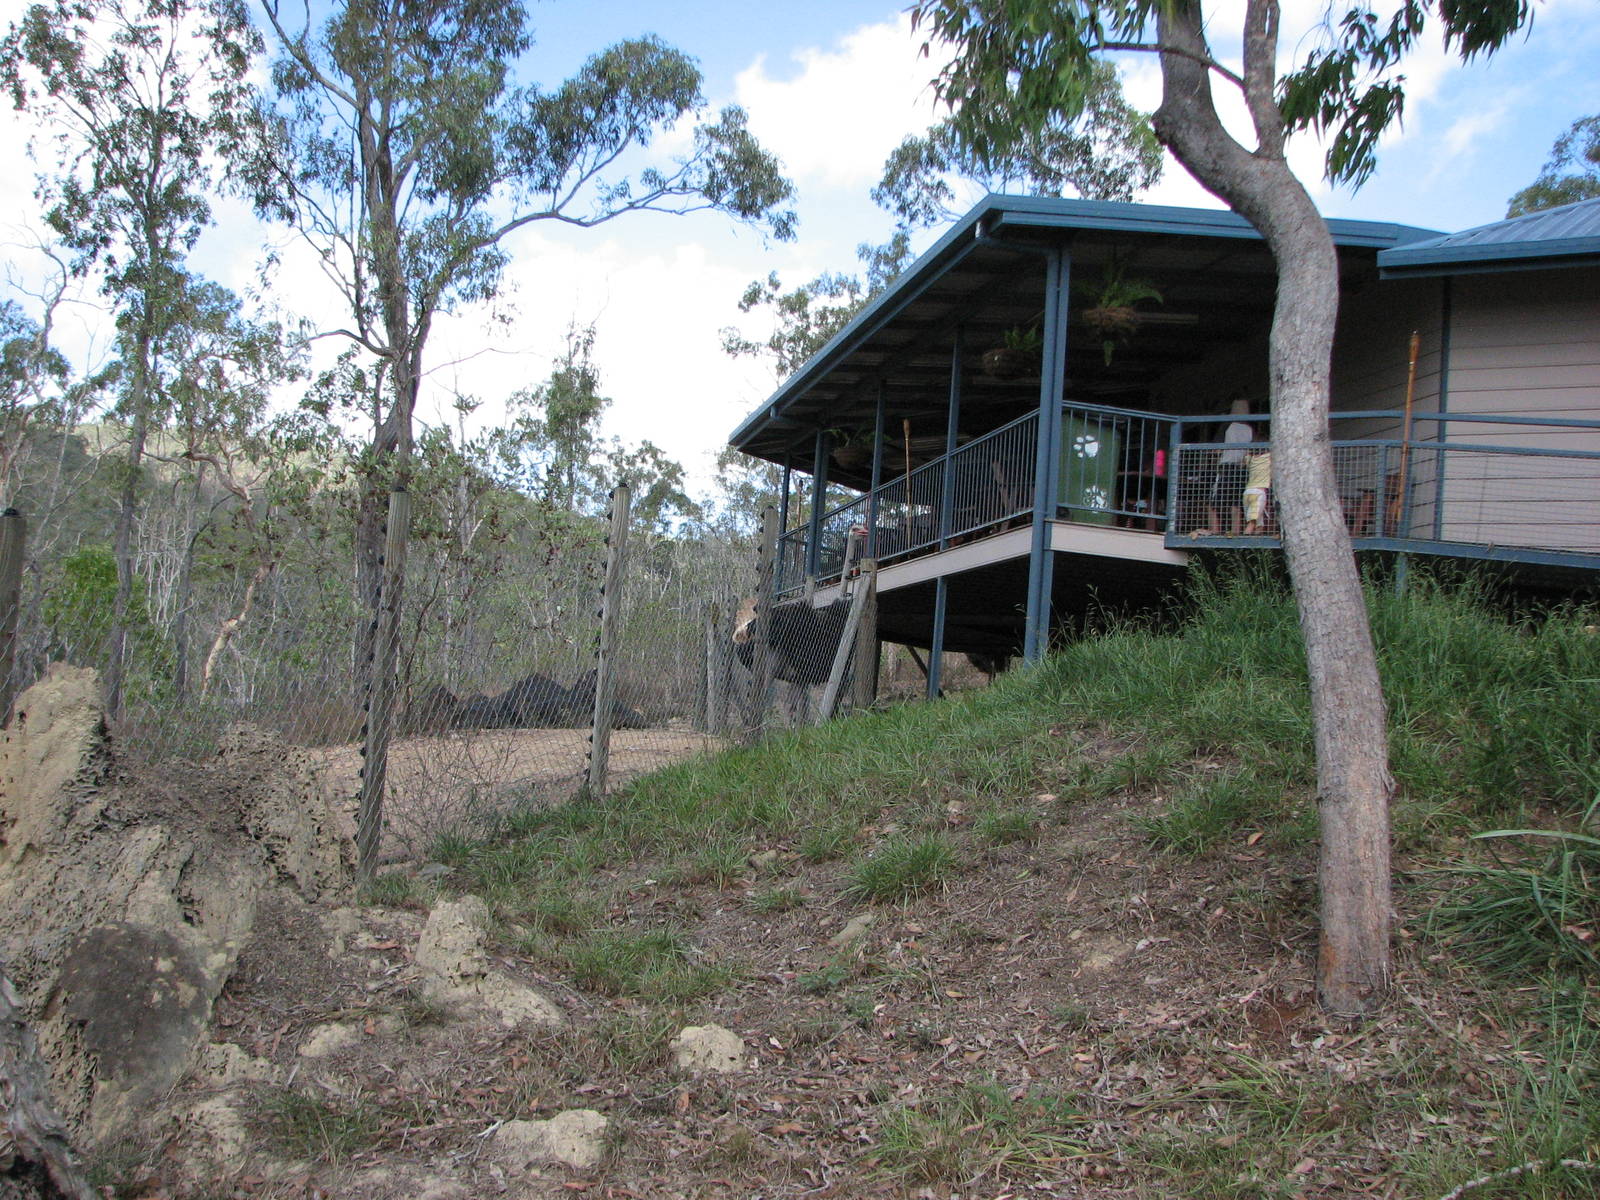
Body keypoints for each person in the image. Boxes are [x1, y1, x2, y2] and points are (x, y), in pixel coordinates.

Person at [1207, 397, 1254, 534]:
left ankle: (1214, 529)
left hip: (1227, 467)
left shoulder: (1228, 426)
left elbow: (1216, 449)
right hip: (1242, 468)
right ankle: (1236, 532)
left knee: (1213, 502)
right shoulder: (1249, 429)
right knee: (1236, 503)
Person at [1242, 446, 1272, 535]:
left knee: (1259, 524)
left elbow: (1244, 459)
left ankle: (1256, 546)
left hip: (1248, 492)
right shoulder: (1268, 457)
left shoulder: (1250, 459)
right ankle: (1244, 544)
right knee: (1252, 522)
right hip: (1259, 493)